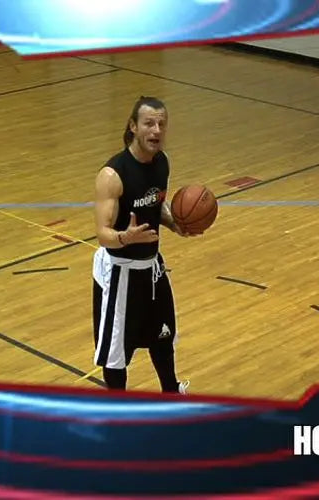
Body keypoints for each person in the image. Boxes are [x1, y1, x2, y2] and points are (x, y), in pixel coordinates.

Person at [92, 96, 201, 393]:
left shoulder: (162, 162)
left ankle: (171, 392)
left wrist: (174, 223)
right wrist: (126, 237)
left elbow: (155, 203)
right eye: (149, 123)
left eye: (162, 124)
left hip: (151, 267)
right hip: (120, 271)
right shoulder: (112, 175)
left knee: (163, 334)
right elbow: (102, 234)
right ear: (133, 126)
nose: (156, 130)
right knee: (117, 352)